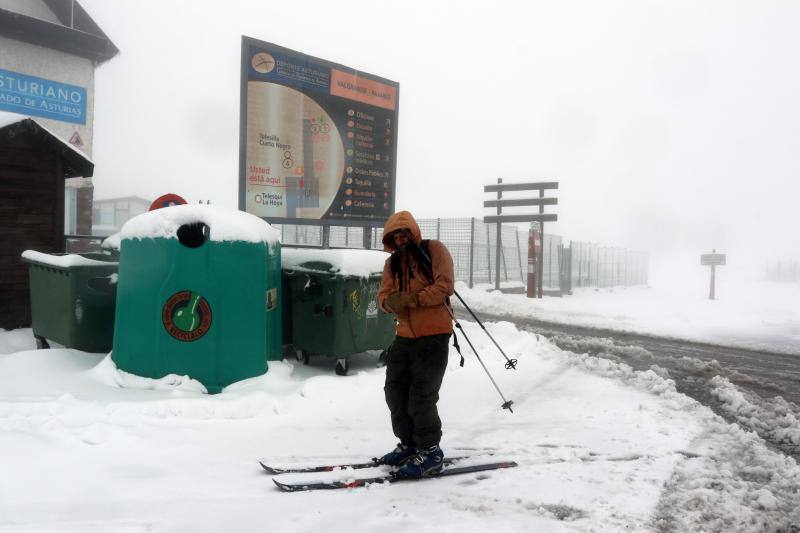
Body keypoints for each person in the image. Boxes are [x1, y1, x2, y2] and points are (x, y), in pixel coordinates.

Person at [376, 210, 455, 478]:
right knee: (395, 391)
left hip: (434, 335)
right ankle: (410, 445)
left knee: (421, 396)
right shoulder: (392, 263)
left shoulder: (434, 250)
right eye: (395, 235)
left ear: (413, 231)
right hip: (405, 336)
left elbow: (445, 286)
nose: (400, 238)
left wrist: (414, 299)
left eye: (404, 232)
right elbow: (382, 296)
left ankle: (431, 452)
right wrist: (390, 303)